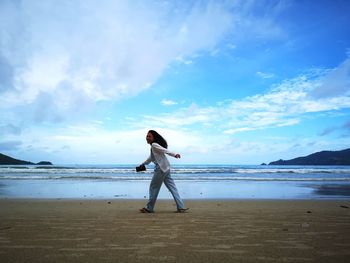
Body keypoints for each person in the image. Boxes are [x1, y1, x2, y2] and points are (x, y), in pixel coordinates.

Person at [137, 130, 188, 213]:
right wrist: (143, 164)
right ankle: (180, 207)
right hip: (166, 169)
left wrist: (174, 154)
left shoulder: (154, 145)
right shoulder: (153, 147)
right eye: (147, 136)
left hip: (161, 169)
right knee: (173, 188)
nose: (147, 138)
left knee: (153, 188)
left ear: (154, 138)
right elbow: (150, 158)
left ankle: (149, 208)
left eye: (149, 136)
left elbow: (165, 150)